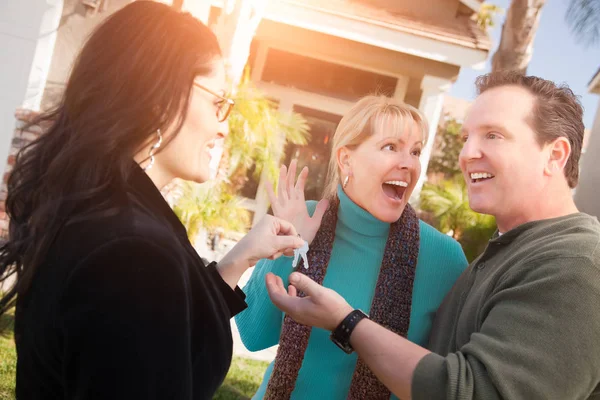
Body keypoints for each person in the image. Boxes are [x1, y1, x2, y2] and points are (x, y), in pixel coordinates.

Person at [0, 3, 304, 399]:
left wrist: (238, 259)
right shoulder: (133, 251)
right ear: (163, 97)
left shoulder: (99, 207)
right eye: (218, 104)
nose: (222, 127)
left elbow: (164, 334)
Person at [266, 72, 600, 400]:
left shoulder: (578, 264)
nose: (467, 154)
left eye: (493, 135)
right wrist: (293, 245)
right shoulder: (503, 255)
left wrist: (347, 322)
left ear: (554, 156)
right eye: (467, 137)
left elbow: (476, 390)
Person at [235, 96, 469, 399]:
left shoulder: (445, 259)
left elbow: (447, 382)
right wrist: (289, 246)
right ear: (346, 159)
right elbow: (253, 336)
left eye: (415, 151)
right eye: (391, 147)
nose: (408, 163)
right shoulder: (306, 218)